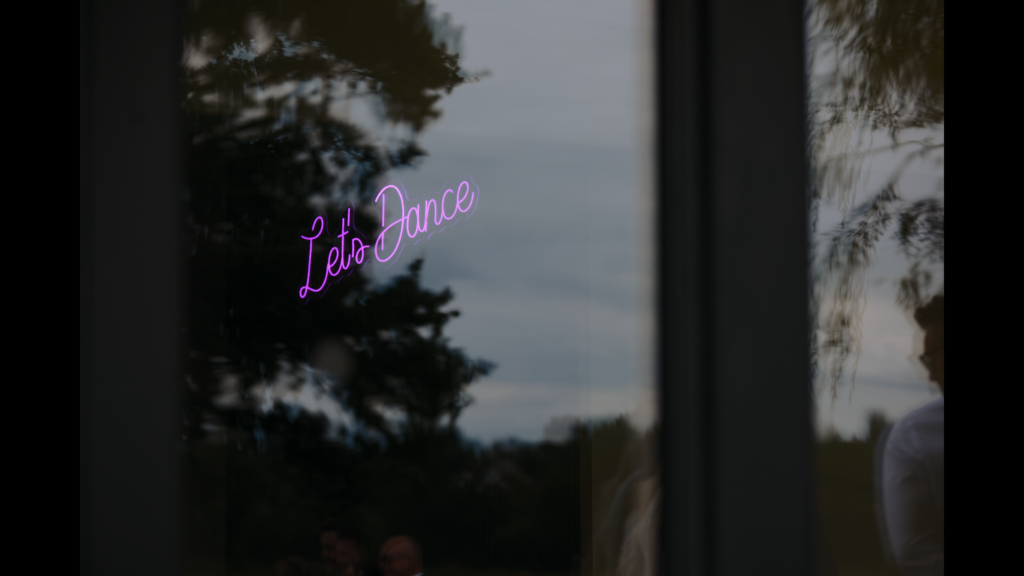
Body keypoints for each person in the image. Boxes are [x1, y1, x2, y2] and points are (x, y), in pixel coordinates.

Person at [880, 295, 944, 575]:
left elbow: (912, 552)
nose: (930, 377)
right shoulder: (914, 436)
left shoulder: (914, 437)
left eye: (931, 360)